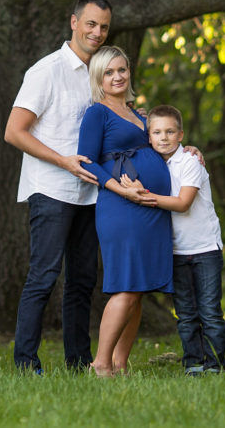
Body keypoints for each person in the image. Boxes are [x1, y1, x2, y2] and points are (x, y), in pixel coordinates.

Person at [4, 0, 113, 374]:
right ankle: (25, 363)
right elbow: (14, 132)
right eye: (91, 24)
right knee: (44, 276)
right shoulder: (46, 71)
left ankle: (79, 363)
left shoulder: (99, 76)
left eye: (103, 27)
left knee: (83, 281)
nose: (96, 32)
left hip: (90, 193)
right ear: (74, 22)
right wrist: (63, 161)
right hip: (50, 189)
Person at [77, 46, 174, 377]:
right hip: (122, 208)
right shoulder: (97, 113)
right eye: (109, 72)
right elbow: (87, 163)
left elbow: (162, 142)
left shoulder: (138, 113)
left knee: (139, 287)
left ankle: (120, 364)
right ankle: (101, 364)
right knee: (126, 284)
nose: (117, 76)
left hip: (150, 208)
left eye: (122, 69)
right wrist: (122, 190)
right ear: (98, 78)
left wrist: (186, 149)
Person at [126, 104, 225, 376]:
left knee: (209, 311)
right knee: (185, 314)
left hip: (205, 248)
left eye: (170, 131)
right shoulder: (154, 163)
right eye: (157, 132)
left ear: (180, 135)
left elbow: (183, 203)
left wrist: (143, 194)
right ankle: (193, 363)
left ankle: (215, 364)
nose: (163, 137)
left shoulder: (190, 161)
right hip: (175, 250)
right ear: (149, 137)